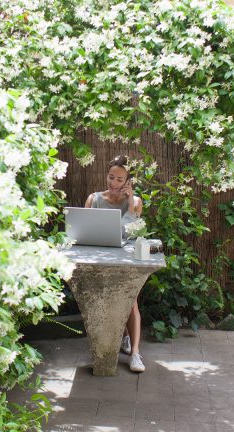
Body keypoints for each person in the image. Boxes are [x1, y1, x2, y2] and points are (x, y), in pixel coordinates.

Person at [84, 155, 146, 372]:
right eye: (111, 177)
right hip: (100, 259)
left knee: (131, 302)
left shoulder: (136, 202)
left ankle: (135, 353)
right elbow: (87, 231)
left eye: (120, 179)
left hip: (125, 258)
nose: (114, 183)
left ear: (128, 181)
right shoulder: (94, 199)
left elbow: (131, 232)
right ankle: (121, 339)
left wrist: (130, 204)